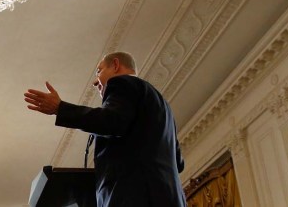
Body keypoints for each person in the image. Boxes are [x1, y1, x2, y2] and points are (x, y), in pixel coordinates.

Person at [24, 52, 186, 207]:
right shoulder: (164, 110)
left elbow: (111, 121)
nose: (95, 82)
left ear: (115, 65)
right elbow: (178, 163)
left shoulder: (123, 83)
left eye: (99, 71)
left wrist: (61, 108)